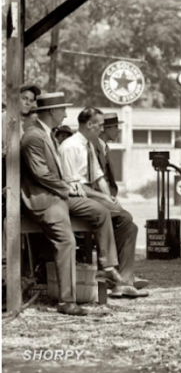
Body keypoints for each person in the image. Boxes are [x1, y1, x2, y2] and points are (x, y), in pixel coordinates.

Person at [20, 93, 121, 316]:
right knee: (67, 241)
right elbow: (41, 174)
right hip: (44, 199)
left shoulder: (47, 134)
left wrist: (69, 186)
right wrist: (67, 187)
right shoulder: (33, 136)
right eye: (62, 110)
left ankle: (108, 266)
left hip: (58, 194)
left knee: (100, 211)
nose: (66, 114)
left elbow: (52, 174)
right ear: (51, 112)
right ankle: (67, 301)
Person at [59, 108, 148, 298]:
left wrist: (110, 198)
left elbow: (99, 176)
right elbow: (75, 185)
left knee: (129, 225)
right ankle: (112, 273)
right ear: (89, 125)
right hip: (78, 197)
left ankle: (124, 279)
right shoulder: (69, 147)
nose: (102, 129)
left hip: (93, 196)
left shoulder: (90, 146)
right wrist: (104, 198)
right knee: (121, 218)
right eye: (100, 125)